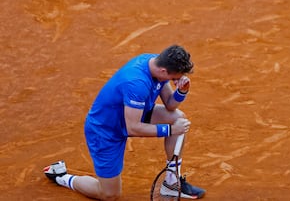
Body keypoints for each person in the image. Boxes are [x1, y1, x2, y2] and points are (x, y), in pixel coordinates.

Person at [43, 45, 206, 200]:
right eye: (174, 78)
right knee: (109, 195)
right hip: (105, 131)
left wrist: (181, 91)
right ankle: (62, 177)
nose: (175, 80)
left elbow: (170, 105)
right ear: (164, 71)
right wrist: (170, 130)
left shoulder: (157, 64)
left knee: (178, 118)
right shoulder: (136, 83)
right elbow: (133, 128)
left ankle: (172, 182)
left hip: (134, 114)